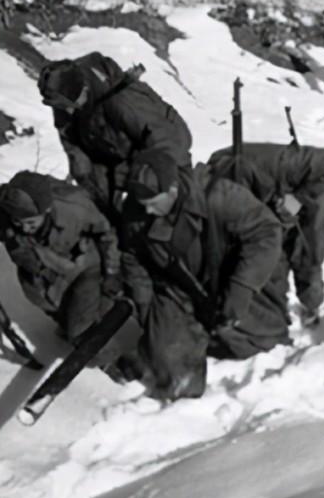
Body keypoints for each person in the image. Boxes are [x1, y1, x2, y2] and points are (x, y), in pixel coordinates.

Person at [118, 151, 285, 400]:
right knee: (168, 362)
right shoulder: (136, 213)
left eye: (154, 203)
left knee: (262, 342)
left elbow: (266, 232)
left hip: (228, 281)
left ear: (173, 188)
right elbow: (132, 257)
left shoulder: (218, 194)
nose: (149, 211)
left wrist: (242, 287)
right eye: (144, 205)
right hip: (179, 290)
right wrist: (144, 305)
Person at [0, 171, 125, 351]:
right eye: (18, 222)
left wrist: (112, 271)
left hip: (84, 268)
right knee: (58, 310)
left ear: (46, 210)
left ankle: (107, 358)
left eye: (30, 222)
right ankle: (74, 322)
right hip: (41, 278)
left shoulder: (75, 207)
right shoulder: (6, 208)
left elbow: (106, 233)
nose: (24, 228)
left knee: (81, 331)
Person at [206, 142, 324, 326]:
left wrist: (297, 199)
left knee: (307, 254)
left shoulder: (284, 162)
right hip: (270, 203)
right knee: (271, 254)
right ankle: (277, 311)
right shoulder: (217, 182)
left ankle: (311, 305)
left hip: (309, 199)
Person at [37, 52, 193, 218]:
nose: (68, 111)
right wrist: (86, 180)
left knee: (159, 199)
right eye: (62, 107)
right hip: (110, 150)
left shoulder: (121, 100)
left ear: (84, 90)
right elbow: (72, 143)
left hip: (159, 146)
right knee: (104, 204)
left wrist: (172, 189)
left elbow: (165, 140)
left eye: (71, 105)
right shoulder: (63, 98)